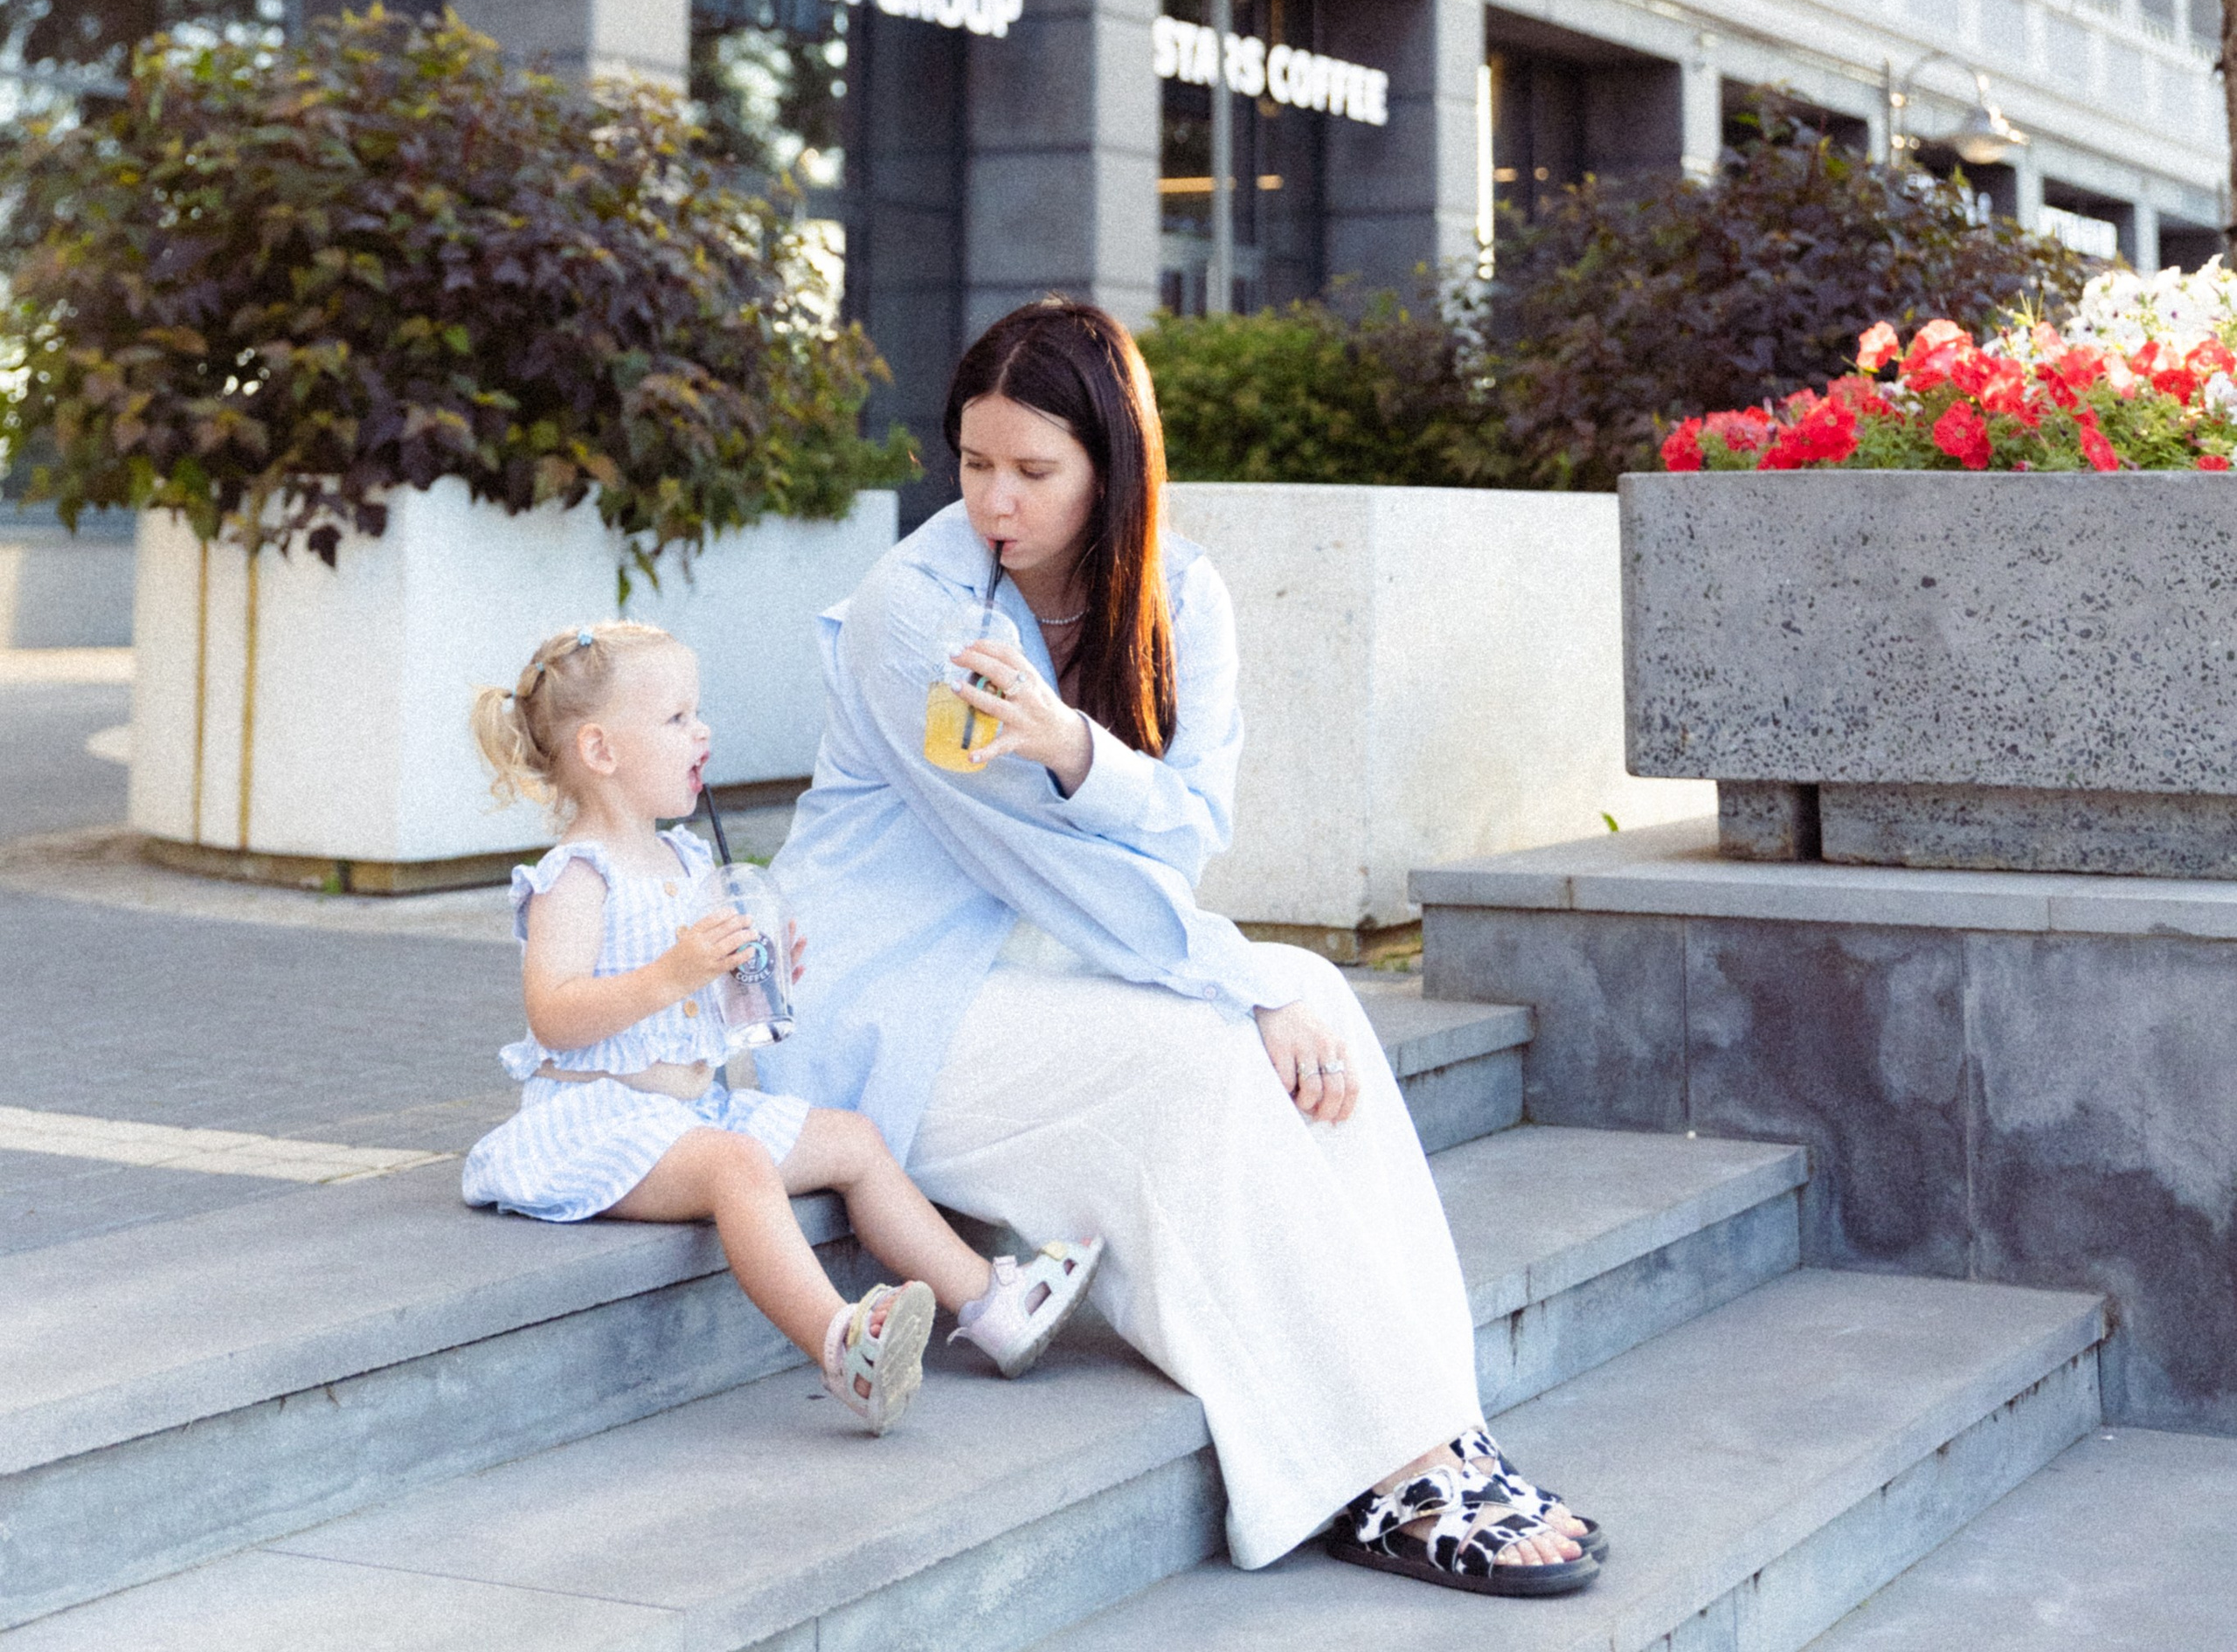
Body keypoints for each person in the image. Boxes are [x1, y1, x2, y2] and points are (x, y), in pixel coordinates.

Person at [758, 298, 1605, 1595]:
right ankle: (1369, 1466)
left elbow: (1186, 835)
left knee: (1317, 991)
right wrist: (1236, 974)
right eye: (976, 464)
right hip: (889, 999)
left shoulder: (1179, 594)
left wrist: (1076, 750)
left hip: (1039, 961)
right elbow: (1035, 863)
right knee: (1209, 1058)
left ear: (1114, 465)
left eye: (1035, 471)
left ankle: (1438, 1431)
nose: (996, 501)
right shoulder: (915, 618)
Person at [461, 616, 1103, 1434]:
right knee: (739, 1167)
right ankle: (842, 1347)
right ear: (600, 751)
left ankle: (988, 1300)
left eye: (697, 712)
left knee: (854, 1141)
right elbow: (553, 1012)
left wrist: (760, 971)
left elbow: (702, 1011)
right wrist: (671, 974)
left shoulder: (690, 862)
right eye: (677, 718)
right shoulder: (576, 876)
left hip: (688, 1111)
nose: (704, 731)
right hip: (597, 1120)